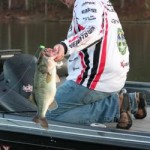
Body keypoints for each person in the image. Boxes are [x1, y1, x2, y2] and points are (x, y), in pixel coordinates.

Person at [45, 0, 147, 129]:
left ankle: (117, 106)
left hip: (96, 79)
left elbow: (94, 31)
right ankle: (130, 101)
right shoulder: (102, 2)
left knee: (48, 114)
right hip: (116, 77)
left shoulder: (84, 1)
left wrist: (65, 46)